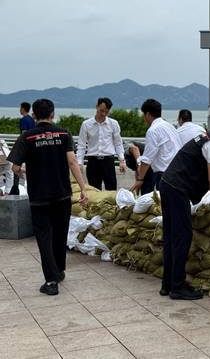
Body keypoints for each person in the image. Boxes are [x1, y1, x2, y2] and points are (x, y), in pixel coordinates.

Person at [7, 99, 88, 296]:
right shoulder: (63, 133)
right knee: (60, 234)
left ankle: (51, 281)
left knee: (44, 237)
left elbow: (15, 167)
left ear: (34, 115)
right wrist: (83, 189)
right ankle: (59, 270)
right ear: (52, 114)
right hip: (62, 194)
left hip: (39, 196)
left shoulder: (27, 137)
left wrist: (27, 171)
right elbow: (72, 161)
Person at [159, 112, 210, 299]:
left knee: (172, 236)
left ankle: (168, 284)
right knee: (182, 236)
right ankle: (177, 287)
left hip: (169, 184)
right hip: (177, 188)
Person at [130, 99, 182, 193]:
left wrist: (140, 179)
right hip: (177, 171)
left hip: (164, 175)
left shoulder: (153, 131)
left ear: (148, 114)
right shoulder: (169, 126)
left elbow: (147, 159)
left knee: (165, 204)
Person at [76, 97, 126, 190]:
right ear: (97, 107)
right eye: (101, 110)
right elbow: (81, 145)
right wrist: (79, 163)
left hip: (108, 161)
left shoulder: (113, 123)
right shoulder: (86, 124)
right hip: (92, 161)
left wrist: (122, 160)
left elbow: (118, 143)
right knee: (94, 192)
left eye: (106, 112)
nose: (103, 114)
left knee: (111, 191)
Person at [8, 102, 35, 195]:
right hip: (32, 145)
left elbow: (24, 133)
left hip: (24, 145)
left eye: (20, 108)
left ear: (23, 109)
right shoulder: (32, 119)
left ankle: (15, 188)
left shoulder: (23, 120)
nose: (19, 110)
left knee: (16, 164)